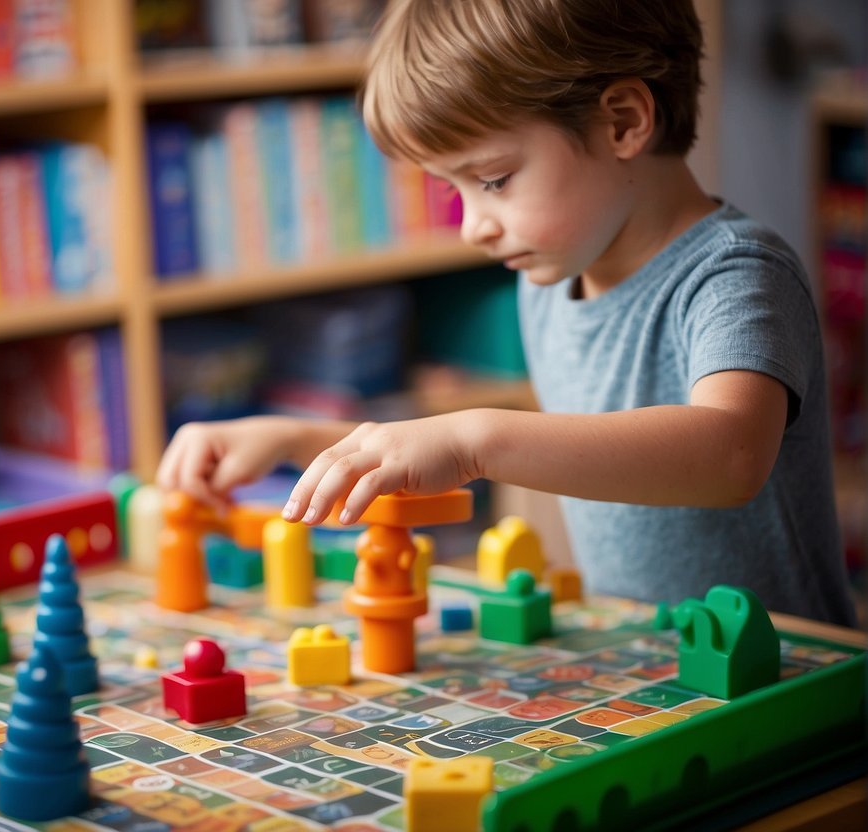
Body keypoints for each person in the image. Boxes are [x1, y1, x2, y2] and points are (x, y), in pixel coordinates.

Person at [156, 0, 856, 625]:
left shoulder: (735, 271)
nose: (472, 226)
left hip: (787, 678)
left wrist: (474, 439)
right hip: (654, 663)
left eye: (492, 180)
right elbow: (550, 446)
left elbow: (729, 455)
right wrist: (295, 438)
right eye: (454, 190)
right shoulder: (550, 283)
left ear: (623, 121)